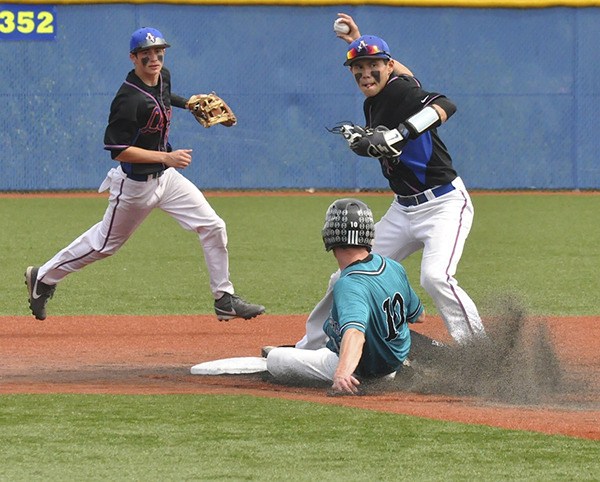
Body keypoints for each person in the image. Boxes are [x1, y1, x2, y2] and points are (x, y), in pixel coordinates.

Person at [25, 27, 265, 322]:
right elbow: (118, 150)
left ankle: (224, 299)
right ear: (133, 58)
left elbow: (163, 96)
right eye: (146, 54)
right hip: (135, 186)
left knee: (213, 225)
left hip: (167, 179)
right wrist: (166, 156)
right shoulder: (127, 100)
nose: (154, 58)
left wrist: (188, 103)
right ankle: (44, 277)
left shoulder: (162, 76)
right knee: (104, 244)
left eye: (158, 51)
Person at [295, 14, 485, 349]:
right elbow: (405, 72)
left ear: (388, 66)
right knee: (345, 275)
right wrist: (357, 40)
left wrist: (401, 133)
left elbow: (445, 104)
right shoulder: (378, 98)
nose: (365, 73)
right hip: (403, 211)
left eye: (373, 66)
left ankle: (481, 353)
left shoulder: (400, 93)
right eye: (358, 67)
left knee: (435, 277)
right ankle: (311, 347)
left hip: (443, 204)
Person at [267, 198, 425, 395]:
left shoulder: (349, 283)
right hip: (394, 360)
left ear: (330, 235)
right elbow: (419, 316)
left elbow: (355, 333)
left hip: (364, 370)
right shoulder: (393, 266)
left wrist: (342, 373)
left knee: (275, 359)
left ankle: (347, 368)